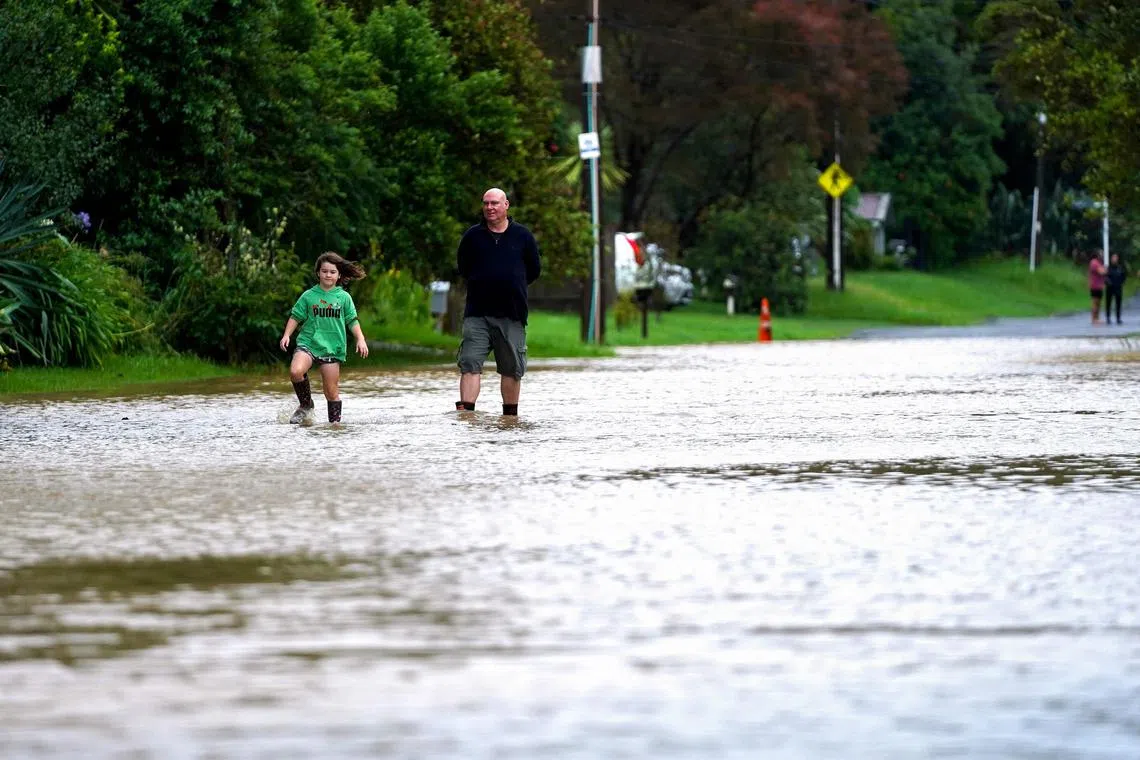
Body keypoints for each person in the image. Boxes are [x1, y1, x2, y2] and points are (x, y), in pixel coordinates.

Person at [455, 187, 541, 416]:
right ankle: (467, 416)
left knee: (512, 369)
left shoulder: (523, 236)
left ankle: (510, 418)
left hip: (511, 313)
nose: (489, 208)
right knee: (470, 363)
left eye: (494, 203)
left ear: (506, 205)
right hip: (477, 313)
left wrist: (511, 284)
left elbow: (533, 270)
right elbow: (463, 267)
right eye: (486, 203)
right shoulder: (472, 236)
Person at [280, 252, 369, 424]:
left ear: (339, 275)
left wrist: (360, 338)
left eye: (332, 272)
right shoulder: (308, 296)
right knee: (296, 371)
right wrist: (286, 335)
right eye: (324, 271)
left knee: (331, 392)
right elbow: (295, 316)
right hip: (308, 343)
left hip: (332, 347)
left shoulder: (344, 297)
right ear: (318, 273)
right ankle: (306, 405)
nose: (328, 275)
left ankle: (334, 426)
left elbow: (352, 320)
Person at [1105, 252, 1128, 325]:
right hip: (1110, 288)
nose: (1114, 259)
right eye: (1113, 258)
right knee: (1108, 303)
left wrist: (1122, 282)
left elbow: (1124, 276)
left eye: (1116, 258)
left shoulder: (1120, 268)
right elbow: (1105, 276)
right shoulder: (1108, 268)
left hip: (1118, 287)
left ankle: (1118, 318)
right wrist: (1108, 282)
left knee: (1118, 303)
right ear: (1111, 259)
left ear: (1117, 259)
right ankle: (1108, 318)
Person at [1088, 249, 1107, 324]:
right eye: (1101, 254)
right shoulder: (1094, 262)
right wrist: (1105, 270)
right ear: (1097, 255)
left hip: (1100, 286)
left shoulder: (1100, 263)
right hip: (1094, 285)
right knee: (1095, 302)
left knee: (1099, 302)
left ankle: (1097, 318)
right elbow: (1101, 272)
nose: (1102, 255)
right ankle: (1093, 318)